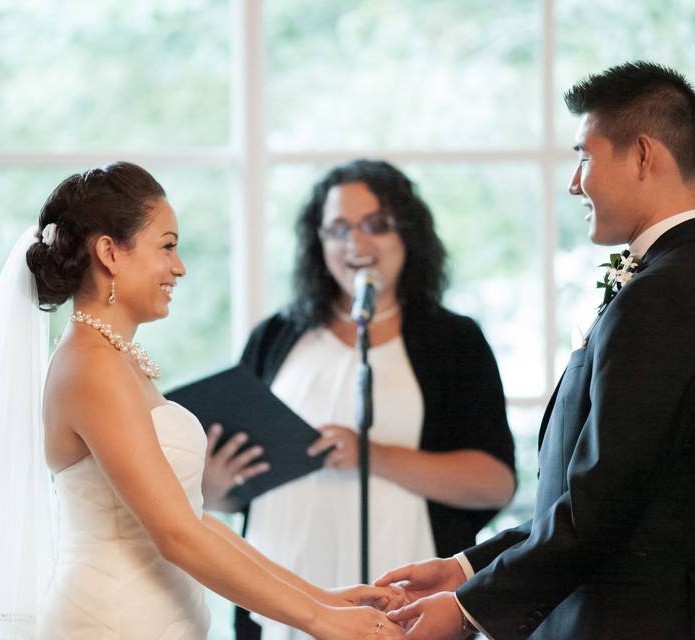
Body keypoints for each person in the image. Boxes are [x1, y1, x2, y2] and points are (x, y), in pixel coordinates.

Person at [0, 162, 404, 640]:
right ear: (110, 252)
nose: (179, 267)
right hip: (111, 623)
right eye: (167, 247)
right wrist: (320, 623)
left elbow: (197, 521)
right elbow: (176, 535)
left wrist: (323, 598)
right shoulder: (90, 367)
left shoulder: (115, 358)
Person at [375, 61, 695, 639]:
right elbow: (608, 494)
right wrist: (465, 570)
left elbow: (602, 505)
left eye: (584, 155)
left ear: (641, 155)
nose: (574, 182)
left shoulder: (670, 294)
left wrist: (468, 610)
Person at [202, 159, 517, 640]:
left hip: (403, 603)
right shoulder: (276, 336)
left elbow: (494, 483)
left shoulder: (453, 341)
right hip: (283, 599)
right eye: (338, 230)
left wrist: (372, 455)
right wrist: (219, 484)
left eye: (376, 226)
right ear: (317, 242)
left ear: (408, 234)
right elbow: (231, 492)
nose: (356, 245)